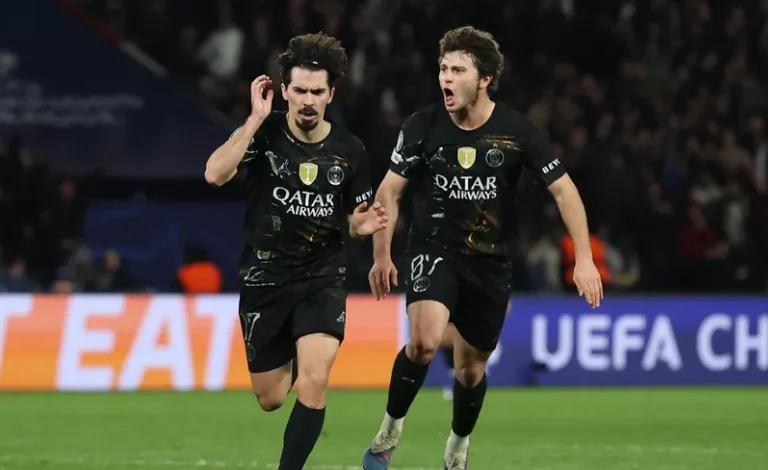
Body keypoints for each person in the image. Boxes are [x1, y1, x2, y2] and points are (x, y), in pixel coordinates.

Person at [362, 26, 603, 470]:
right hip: (433, 247)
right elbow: (389, 191)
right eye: (443, 69)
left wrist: (584, 260)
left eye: (458, 70)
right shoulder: (421, 126)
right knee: (424, 342)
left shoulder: (516, 131)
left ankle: (457, 445)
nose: (446, 78)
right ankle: (389, 431)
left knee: (471, 370)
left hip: (491, 261)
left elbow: (565, 191)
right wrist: (382, 254)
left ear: (485, 79)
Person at [204, 32, 387, 470]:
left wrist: (360, 227)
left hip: (321, 278)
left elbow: (355, 220)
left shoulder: (350, 151)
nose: (308, 101)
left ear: (331, 95)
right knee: (270, 397)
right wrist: (253, 119)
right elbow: (214, 174)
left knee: (314, 381)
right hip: (264, 279)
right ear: (284, 90)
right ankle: (288, 346)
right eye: (300, 90)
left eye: (317, 92)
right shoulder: (263, 133)